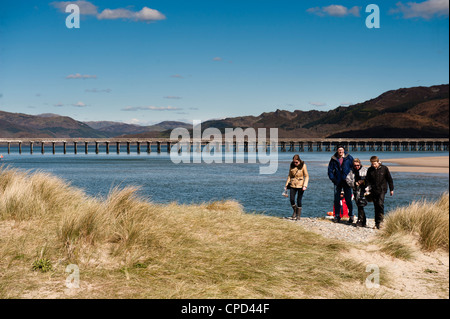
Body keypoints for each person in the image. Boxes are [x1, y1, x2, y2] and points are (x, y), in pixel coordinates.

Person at [328, 145, 354, 224]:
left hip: (347, 181)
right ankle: (337, 216)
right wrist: (333, 179)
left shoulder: (349, 157)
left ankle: (351, 216)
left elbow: (353, 168)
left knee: (348, 199)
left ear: (344, 150)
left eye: (342, 150)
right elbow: (330, 170)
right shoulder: (333, 158)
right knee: (336, 199)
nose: (340, 152)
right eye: (339, 150)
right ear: (337, 151)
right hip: (337, 182)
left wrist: (351, 178)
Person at [366, 156, 394, 229]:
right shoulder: (370, 170)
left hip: (382, 189)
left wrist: (391, 189)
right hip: (373, 190)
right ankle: (377, 223)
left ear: (378, 162)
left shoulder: (384, 168)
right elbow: (367, 180)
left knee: (380, 204)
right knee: (376, 206)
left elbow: (389, 179)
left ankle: (381, 221)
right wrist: (367, 188)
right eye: (372, 164)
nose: (373, 165)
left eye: (374, 164)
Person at [284, 154, 309, 220]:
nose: (295, 163)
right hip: (292, 184)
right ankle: (295, 211)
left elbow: (306, 176)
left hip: (301, 185)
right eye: (294, 162)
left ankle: (298, 215)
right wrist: (286, 185)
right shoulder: (291, 165)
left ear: (299, 161)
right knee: (291, 199)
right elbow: (289, 175)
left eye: (296, 162)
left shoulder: (303, 165)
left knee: (299, 200)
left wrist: (305, 185)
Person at [346, 158, 368, 227]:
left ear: (360, 164)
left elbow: (369, 179)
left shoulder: (365, 170)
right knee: (358, 204)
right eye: (355, 165)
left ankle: (360, 220)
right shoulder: (351, 171)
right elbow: (347, 180)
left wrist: (363, 182)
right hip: (355, 190)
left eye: (358, 165)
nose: (356, 167)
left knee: (361, 204)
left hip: (364, 190)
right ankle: (363, 221)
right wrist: (354, 184)